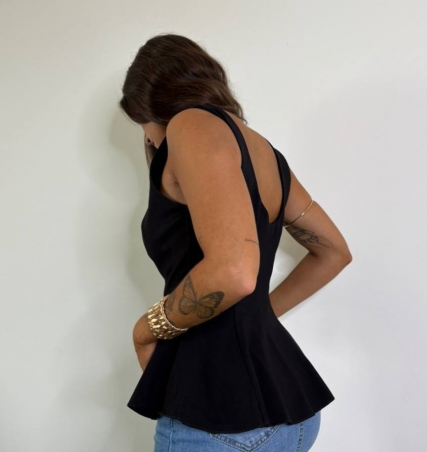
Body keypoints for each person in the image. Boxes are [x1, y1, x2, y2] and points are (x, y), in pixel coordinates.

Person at [118, 33, 352, 452]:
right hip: (292, 417)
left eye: (142, 127)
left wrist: (147, 328)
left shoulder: (190, 125)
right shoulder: (262, 151)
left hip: (218, 422)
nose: (149, 141)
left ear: (149, 105)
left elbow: (234, 272)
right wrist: (257, 315)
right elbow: (333, 251)